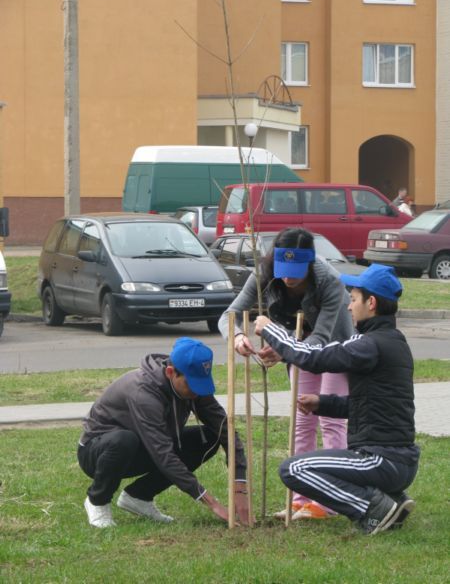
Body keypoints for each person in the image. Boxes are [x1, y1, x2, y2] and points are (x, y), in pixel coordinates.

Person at [254, 264, 419, 535]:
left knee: (294, 469)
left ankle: (373, 507)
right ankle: (392, 501)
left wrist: (271, 330)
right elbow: (369, 407)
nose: (349, 307)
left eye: (353, 299)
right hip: (401, 464)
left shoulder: (367, 344)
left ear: (372, 303)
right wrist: (323, 403)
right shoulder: (395, 342)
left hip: (379, 460)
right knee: (306, 466)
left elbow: (312, 357)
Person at [218, 228, 354, 519]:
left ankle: (330, 500)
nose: (288, 278)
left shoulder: (329, 282)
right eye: (283, 270)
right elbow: (228, 315)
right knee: (301, 421)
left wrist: (283, 348)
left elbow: (320, 339)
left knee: (331, 422)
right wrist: (238, 336)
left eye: (296, 271)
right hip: (297, 349)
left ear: (310, 263)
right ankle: (300, 498)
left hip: (333, 349)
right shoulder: (264, 274)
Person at [78, 337, 250, 528]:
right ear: (170, 372)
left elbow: (223, 428)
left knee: (209, 438)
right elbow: (162, 453)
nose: (197, 391)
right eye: (192, 384)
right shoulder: (143, 393)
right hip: (98, 452)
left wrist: (239, 483)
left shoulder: (194, 387)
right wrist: (211, 502)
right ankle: (97, 501)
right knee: (124, 440)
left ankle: (138, 497)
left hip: (145, 446)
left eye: (201, 383)